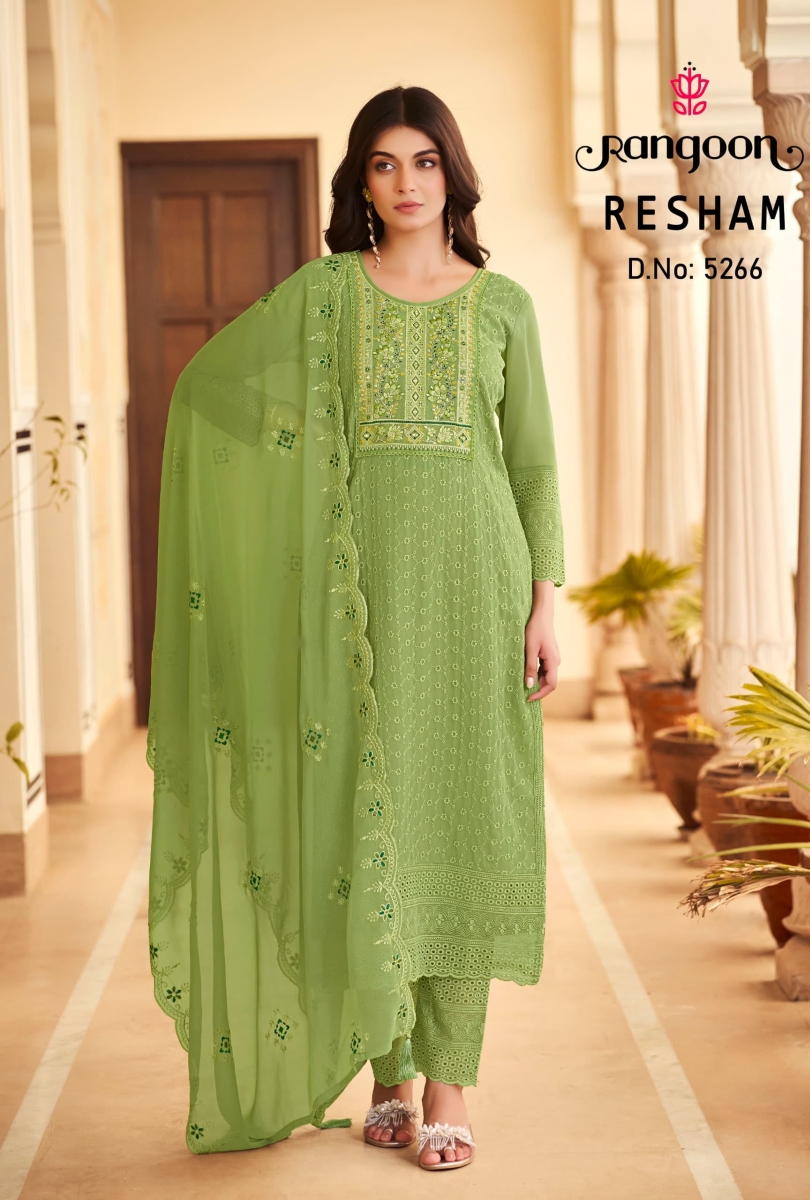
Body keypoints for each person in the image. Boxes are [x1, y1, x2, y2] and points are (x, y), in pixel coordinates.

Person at [147, 85, 564, 1174]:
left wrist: (545, 597)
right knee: (363, 821)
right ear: (360, 182)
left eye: (425, 161)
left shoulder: (504, 304)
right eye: (384, 163)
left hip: (476, 592)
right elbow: (215, 389)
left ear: (452, 174)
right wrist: (288, 505)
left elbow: (532, 464)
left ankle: (449, 1082)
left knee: (462, 823)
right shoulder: (327, 295)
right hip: (355, 603)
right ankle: (388, 1067)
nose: (407, 182)